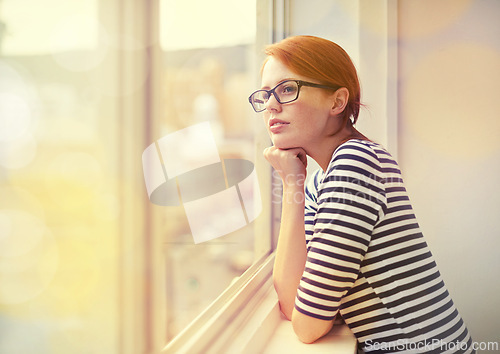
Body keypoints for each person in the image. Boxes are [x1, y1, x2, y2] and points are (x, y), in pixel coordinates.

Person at [248, 35, 474, 353]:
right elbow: (291, 303)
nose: (270, 105)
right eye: (265, 94)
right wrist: (292, 183)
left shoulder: (357, 163)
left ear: (337, 102)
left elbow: (308, 325)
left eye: (287, 89)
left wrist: (292, 184)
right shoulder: (319, 182)